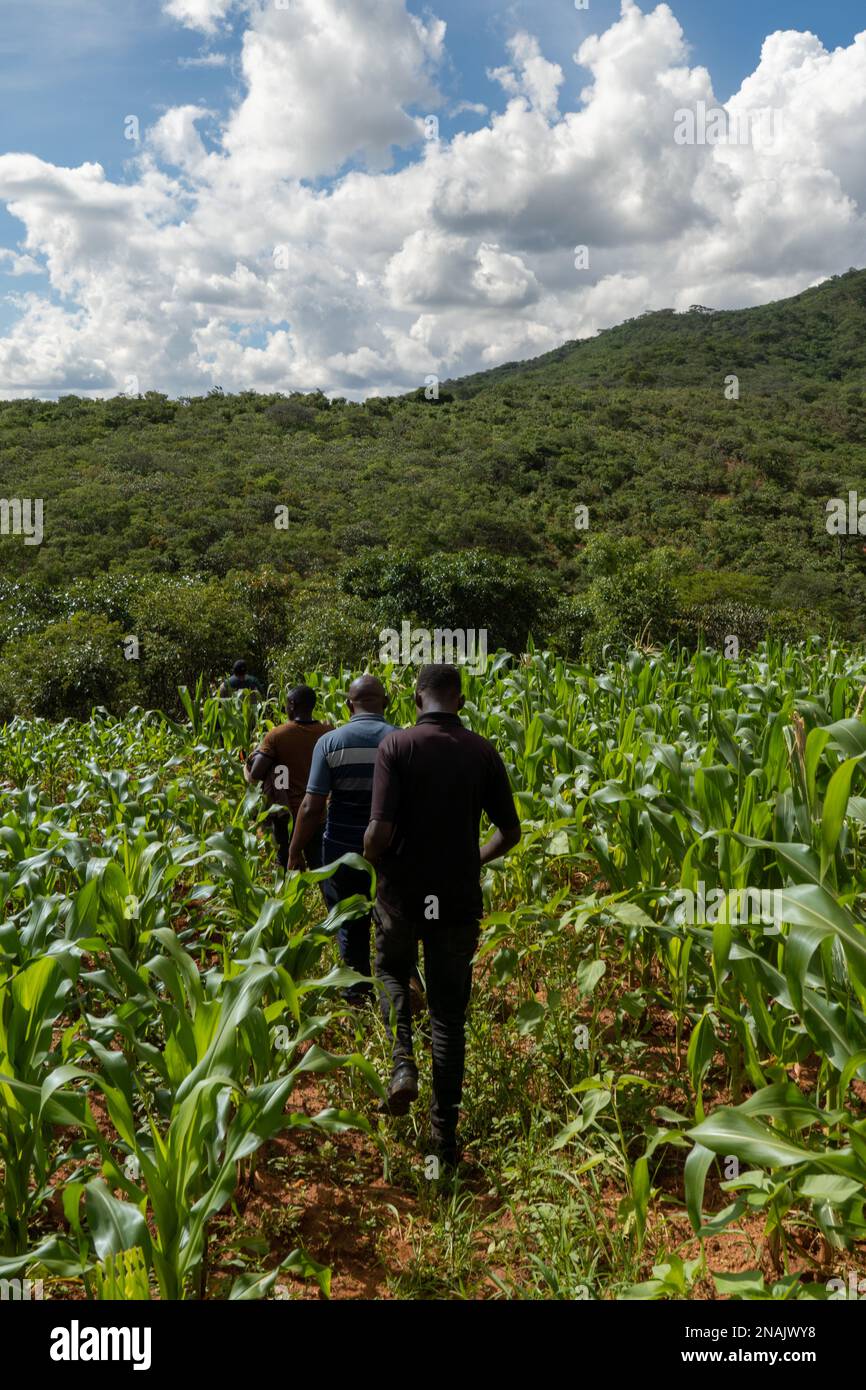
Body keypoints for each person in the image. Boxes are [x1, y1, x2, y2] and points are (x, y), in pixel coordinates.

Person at [364, 663, 521, 1168]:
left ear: (415, 700)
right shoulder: (481, 751)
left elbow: (381, 831)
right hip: (456, 899)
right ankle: (444, 1140)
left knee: (390, 970)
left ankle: (402, 1063)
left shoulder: (397, 747)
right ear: (460, 700)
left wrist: (367, 851)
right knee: (449, 1016)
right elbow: (509, 831)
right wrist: (472, 857)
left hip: (401, 895)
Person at [287, 675, 396, 1004]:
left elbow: (311, 805)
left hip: (340, 849)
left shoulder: (331, 742)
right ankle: (393, 987)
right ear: (386, 703)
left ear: (349, 705)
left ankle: (357, 992)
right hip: (390, 849)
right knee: (389, 917)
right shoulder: (400, 740)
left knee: (349, 919)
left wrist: (294, 851)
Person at [243, 685, 332, 871]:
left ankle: (291, 899)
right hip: (317, 812)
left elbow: (255, 775)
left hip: (286, 815)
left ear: (292, 705)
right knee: (319, 866)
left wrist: (246, 766)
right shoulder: (328, 733)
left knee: (286, 865)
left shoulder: (278, 735)